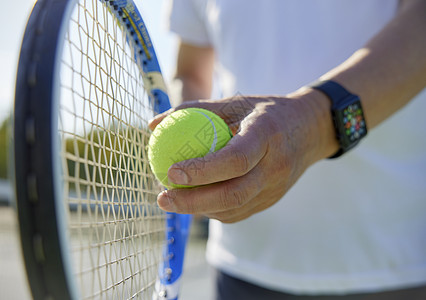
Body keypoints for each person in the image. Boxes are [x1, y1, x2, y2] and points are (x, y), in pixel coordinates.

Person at [149, 0, 426, 299]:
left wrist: (314, 124)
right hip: (240, 264)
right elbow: (190, 73)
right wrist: (198, 169)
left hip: (392, 264)